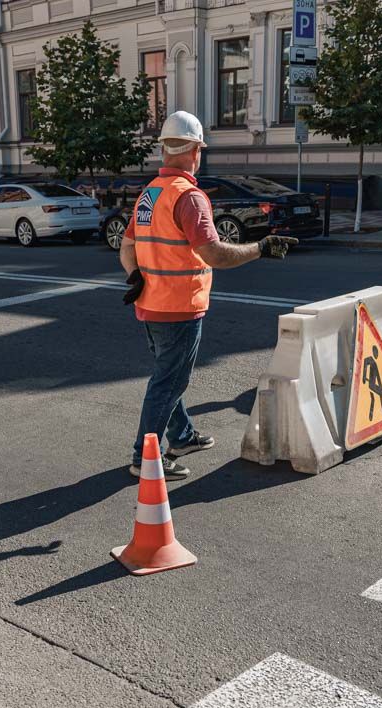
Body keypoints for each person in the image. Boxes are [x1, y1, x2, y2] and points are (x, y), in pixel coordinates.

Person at [120, 110, 298, 480]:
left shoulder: (150, 194)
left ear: (166, 150)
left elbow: (127, 245)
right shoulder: (189, 197)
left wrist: (134, 274)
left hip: (150, 304)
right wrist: (260, 248)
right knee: (169, 380)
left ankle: (181, 436)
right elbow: (214, 253)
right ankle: (145, 457)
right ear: (195, 151)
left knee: (169, 373)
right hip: (178, 307)